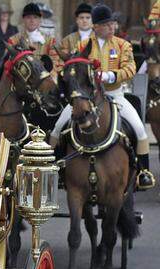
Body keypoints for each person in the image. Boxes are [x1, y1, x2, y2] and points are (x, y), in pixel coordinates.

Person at [50, 5, 155, 189]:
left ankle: (143, 172)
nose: (112, 27)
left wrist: (110, 76)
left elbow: (130, 68)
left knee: (139, 129)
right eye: (107, 24)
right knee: (58, 127)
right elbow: (72, 67)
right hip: (87, 97)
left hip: (115, 94)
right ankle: (55, 169)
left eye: (113, 23)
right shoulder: (82, 46)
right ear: (96, 26)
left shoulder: (123, 45)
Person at [8, 3, 60, 75]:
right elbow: (8, 64)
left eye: (35, 17)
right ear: (24, 19)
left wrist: (47, 77)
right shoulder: (13, 40)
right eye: (29, 17)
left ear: (39, 20)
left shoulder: (49, 41)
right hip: (20, 80)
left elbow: (55, 62)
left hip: (44, 80)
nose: (32, 20)